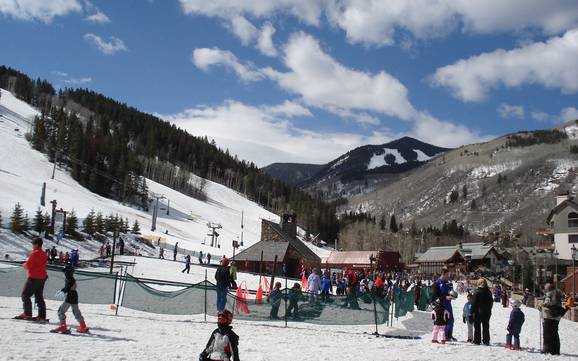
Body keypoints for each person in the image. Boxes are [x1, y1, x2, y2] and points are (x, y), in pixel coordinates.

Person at [15, 238, 48, 321]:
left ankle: (27, 314)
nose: (32, 246)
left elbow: (29, 265)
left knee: (25, 295)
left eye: (33, 244)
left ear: (36, 244)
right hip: (42, 277)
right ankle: (42, 315)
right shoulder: (44, 253)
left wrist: (24, 265)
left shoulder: (35, 253)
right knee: (39, 296)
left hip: (34, 277)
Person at [51, 266, 88, 334]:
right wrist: (62, 290)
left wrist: (63, 291)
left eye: (65, 272)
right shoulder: (70, 278)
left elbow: (68, 287)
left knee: (61, 311)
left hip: (70, 296)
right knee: (76, 311)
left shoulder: (70, 279)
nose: (64, 273)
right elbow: (68, 286)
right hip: (74, 295)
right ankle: (83, 326)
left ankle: (63, 327)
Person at [540, 282, 565, 355]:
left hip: (550, 316)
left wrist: (543, 305)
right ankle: (555, 350)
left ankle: (548, 350)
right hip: (556, 316)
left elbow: (552, 303)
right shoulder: (557, 292)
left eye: (545, 288)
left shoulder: (552, 293)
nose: (544, 289)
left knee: (547, 333)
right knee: (554, 333)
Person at [472, 278, 493, 345]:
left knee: (477, 326)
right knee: (486, 326)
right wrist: (489, 309)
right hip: (487, 311)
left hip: (478, 312)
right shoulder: (489, 292)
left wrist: (472, 312)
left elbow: (474, 303)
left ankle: (477, 340)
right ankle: (486, 340)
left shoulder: (477, 292)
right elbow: (491, 302)